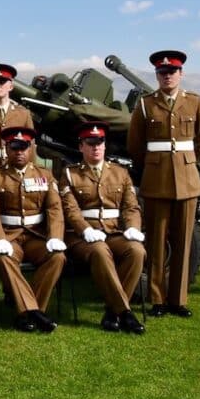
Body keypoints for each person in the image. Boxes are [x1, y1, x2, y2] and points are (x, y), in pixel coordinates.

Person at [126, 50, 200, 318]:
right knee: (156, 241)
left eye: (172, 72)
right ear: (157, 76)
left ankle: (179, 300)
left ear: (180, 74)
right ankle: (158, 299)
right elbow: (135, 145)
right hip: (156, 179)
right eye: (162, 73)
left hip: (187, 181)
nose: (167, 76)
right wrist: (153, 165)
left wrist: (186, 162)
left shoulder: (194, 103)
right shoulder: (145, 104)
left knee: (183, 240)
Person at [60, 122, 146, 333]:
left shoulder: (120, 173)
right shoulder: (70, 174)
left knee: (137, 251)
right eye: (90, 143)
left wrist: (133, 227)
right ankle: (126, 313)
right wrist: (85, 230)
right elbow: (70, 210)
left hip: (113, 231)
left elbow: (131, 207)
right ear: (81, 147)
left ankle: (112, 311)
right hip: (82, 236)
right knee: (100, 251)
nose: (95, 147)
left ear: (105, 145)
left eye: (100, 142)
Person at [0, 127, 65, 333]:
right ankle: (35, 313)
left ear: (31, 148)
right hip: (10, 235)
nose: (19, 152)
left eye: (24, 147)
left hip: (37, 235)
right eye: (14, 147)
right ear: (6, 149)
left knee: (57, 257)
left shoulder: (45, 175)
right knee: (3, 257)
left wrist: (55, 237)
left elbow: (54, 208)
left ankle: (28, 312)